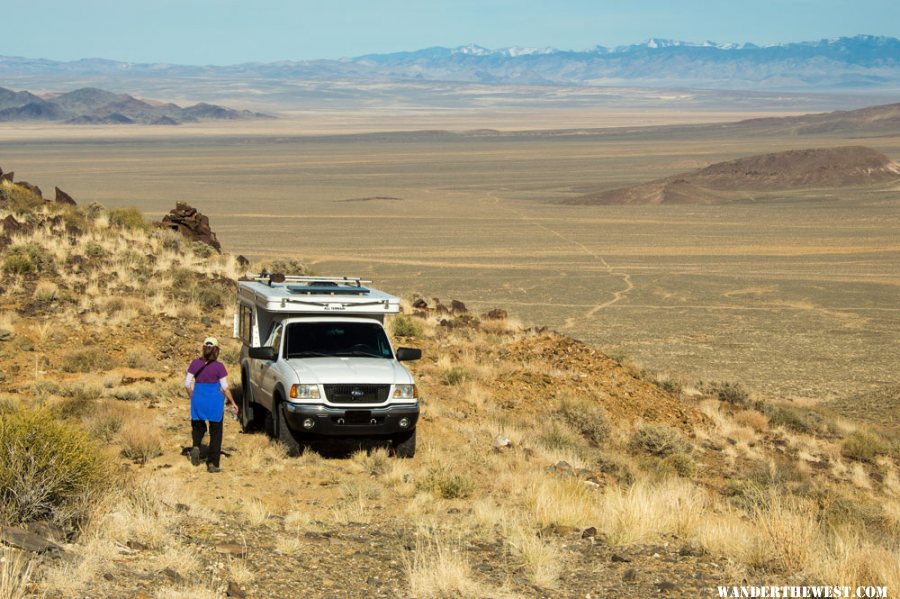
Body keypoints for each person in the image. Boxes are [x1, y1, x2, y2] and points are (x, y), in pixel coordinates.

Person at [185, 336, 238, 473]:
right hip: (214, 402)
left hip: (198, 399)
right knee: (215, 432)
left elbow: (187, 384)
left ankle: (196, 445)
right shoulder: (219, 367)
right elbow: (225, 387)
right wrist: (233, 402)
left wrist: (194, 397)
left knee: (197, 426)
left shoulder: (195, 363)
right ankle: (212, 463)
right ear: (216, 351)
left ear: (204, 349)